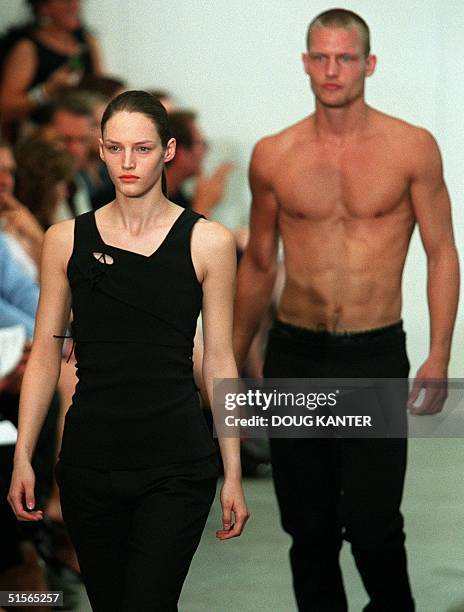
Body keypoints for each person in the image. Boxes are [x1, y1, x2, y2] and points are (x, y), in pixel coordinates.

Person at [233, 8, 459, 612]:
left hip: (374, 352)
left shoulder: (411, 148)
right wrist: (229, 359)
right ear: (306, 62)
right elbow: (258, 263)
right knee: (307, 531)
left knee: (372, 522)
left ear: (369, 64)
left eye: (346, 57)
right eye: (321, 57)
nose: (332, 70)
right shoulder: (274, 155)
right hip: (298, 353)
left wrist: (438, 355)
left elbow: (442, 254)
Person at [8, 90, 249, 611]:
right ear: (99, 150)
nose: (127, 162)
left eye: (141, 148)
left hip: (177, 464)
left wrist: (232, 469)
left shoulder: (208, 242)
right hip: (89, 463)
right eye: (115, 149)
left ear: (167, 150)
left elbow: (220, 360)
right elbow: (48, 355)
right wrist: (25, 455)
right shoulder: (64, 239)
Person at [0, 0, 102, 132]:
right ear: (44, 8)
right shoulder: (27, 48)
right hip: (45, 137)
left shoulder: (87, 40)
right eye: (66, 2)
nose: (75, 6)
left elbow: (102, 89)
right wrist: (47, 91)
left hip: (83, 134)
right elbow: (5, 107)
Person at [165, 110, 234, 216]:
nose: (206, 150)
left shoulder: (179, 197)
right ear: (180, 153)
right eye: (201, 143)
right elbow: (185, 232)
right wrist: (203, 204)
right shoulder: (152, 199)